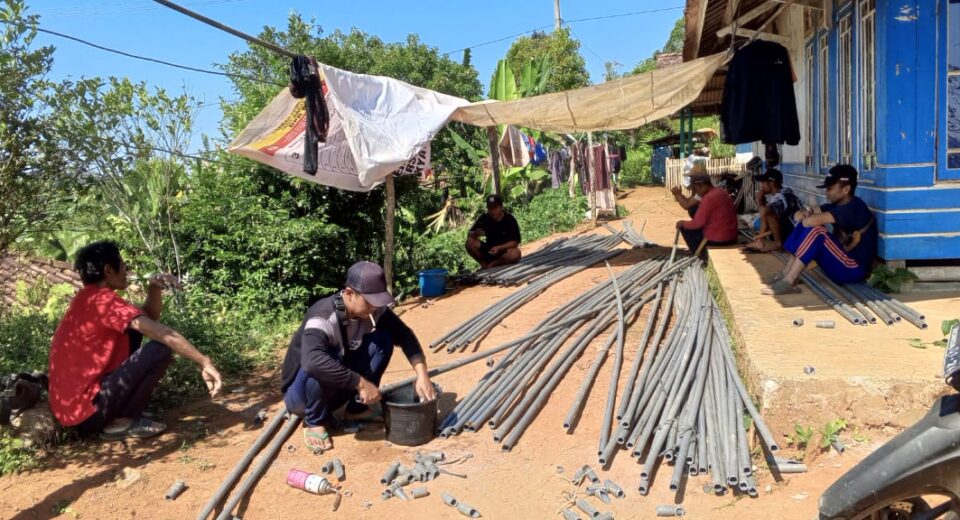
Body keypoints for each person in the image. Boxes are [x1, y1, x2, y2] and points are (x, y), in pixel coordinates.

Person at [48, 241, 223, 440]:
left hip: (76, 412)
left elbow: (148, 317)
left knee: (134, 331)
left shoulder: (88, 298)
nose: (127, 271)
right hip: (90, 412)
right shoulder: (103, 301)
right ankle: (122, 421)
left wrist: (154, 288)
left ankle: (119, 414)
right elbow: (162, 333)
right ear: (108, 270)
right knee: (160, 349)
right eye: (124, 266)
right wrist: (204, 362)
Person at [281, 261, 436, 451]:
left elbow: (404, 335)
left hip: (335, 390)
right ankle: (314, 421)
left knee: (383, 340)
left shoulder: (374, 310)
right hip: (300, 396)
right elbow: (312, 362)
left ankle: (356, 410)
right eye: (369, 301)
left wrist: (422, 374)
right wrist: (361, 383)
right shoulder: (322, 317)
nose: (374, 307)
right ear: (349, 294)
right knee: (324, 358)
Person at [763, 165, 877, 295]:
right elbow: (800, 215)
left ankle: (789, 280)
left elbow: (809, 221)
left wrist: (806, 217)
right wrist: (805, 213)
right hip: (840, 263)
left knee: (817, 232)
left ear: (846, 189)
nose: (826, 192)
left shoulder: (854, 208)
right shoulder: (837, 205)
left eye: (830, 188)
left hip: (853, 269)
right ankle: (786, 273)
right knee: (808, 225)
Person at [675, 169, 738, 259]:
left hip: (718, 239)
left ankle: (701, 254)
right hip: (732, 237)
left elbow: (696, 224)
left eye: (696, 189)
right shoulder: (721, 191)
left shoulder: (708, 198)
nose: (696, 192)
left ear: (702, 185)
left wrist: (682, 223)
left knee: (684, 227)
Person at [743, 168, 803, 252]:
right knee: (765, 215)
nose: (761, 185)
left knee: (768, 213)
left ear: (771, 183)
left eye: (763, 182)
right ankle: (759, 241)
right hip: (796, 232)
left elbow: (764, 212)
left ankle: (777, 244)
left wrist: (759, 201)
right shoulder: (786, 193)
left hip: (794, 235)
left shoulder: (781, 197)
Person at [465, 194, 522, 269]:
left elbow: (515, 242)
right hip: (489, 249)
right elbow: (469, 234)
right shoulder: (484, 218)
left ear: (501, 207)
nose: (492, 211)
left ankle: (494, 263)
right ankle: (484, 264)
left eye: (495, 207)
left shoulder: (510, 219)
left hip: (503, 250)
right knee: (469, 242)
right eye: (489, 208)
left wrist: (499, 248)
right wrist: (475, 233)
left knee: (516, 253)